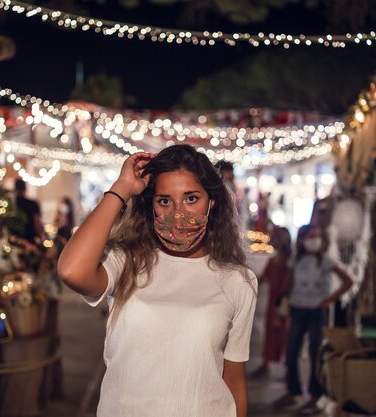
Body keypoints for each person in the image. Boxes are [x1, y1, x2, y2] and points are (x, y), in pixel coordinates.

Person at [58, 145, 258, 417]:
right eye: (165, 201)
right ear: (151, 206)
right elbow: (72, 271)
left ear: (212, 202)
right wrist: (121, 189)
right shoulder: (128, 262)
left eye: (191, 198)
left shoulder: (238, 281)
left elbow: (234, 380)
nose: (179, 213)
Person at [273, 224, 353, 415]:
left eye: (317, 235)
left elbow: (348, 281)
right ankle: (293, 391)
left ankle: (315, 396)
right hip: (297, 309)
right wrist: (281, 303)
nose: (315, 239)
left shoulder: (325, 260)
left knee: (316, 353)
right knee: (291, 352)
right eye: (311, 235)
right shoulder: (295, 260)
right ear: (301, 240)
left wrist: (330, 300)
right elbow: (288, 283)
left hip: (316, 312)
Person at [250, 226, 292, 379]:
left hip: (284, 301)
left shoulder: (289, 259)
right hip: (274, 301)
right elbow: (263, 279)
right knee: (270, 333)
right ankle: (266, 363)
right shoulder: (275, 259)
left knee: (284, 334)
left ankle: (289, 367)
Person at [14, 179, 44, 244]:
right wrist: (41, 238)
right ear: (25, 188)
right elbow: (37, 222)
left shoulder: (12, 204)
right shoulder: (32, 204)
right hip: (30, 241)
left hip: (14, 240)